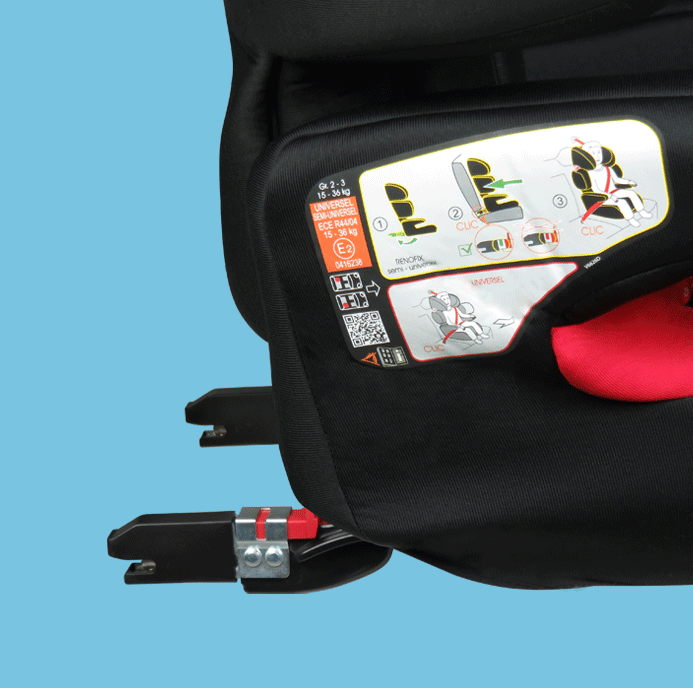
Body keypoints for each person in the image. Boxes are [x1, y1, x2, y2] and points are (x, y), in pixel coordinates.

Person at [580, 140, 652, 227]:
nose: (597, 156)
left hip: (614, 191)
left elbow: (617, 180)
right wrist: (610, 196)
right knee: (621, 202)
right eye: (593, 153)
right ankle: (631, 219)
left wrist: (628, 182)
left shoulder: (607, 168)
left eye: (599, 152)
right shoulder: (590, 173)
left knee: (631, 193)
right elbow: (596, 190)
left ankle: (642, 211)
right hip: (603, 196)